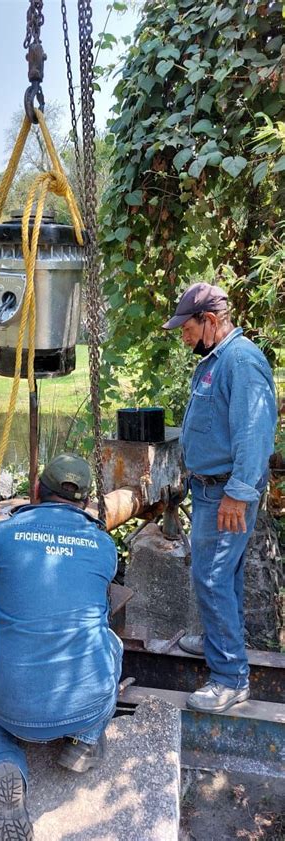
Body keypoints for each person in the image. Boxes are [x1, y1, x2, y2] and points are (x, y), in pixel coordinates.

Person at [0, 454, 123, 841]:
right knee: (113, 644)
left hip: (12, 710)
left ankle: (5, 762)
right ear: (86, 503)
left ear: (37, 491)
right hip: (83, 705)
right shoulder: (104, 545)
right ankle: (85, 742)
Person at [163, 282, 277, 713]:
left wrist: (238, 495)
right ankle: (218, 642)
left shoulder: (242, 362)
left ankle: (230, 678)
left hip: (227, 493)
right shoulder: (215, 360)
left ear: (209, 321)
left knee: (212, 576)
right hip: (211, 490)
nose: (184, 336)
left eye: (187, 328)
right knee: (221, 575)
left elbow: (254, 435)